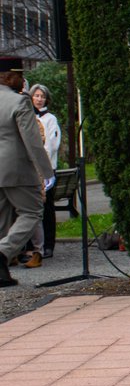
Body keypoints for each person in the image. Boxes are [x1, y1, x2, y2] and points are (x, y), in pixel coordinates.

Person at [0, 58, 54, 288]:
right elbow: (32, 141)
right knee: (32, 212)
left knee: (1, 220)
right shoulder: (19, 102)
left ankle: (1, 274)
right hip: (17, 169)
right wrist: (46, 171)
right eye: (20, 75)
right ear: (10, 76)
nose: (23, 80)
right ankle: (2, 252)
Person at [21, 83, 61, 266]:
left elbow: (51, 145)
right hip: (29, 167)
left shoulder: (50, 118)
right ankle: (29, 246)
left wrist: (41, 164)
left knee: (47, 207)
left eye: (42, 96)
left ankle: (48, 245)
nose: (39, 99)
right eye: (36, 95)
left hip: (45, 167)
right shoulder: (27, 116)